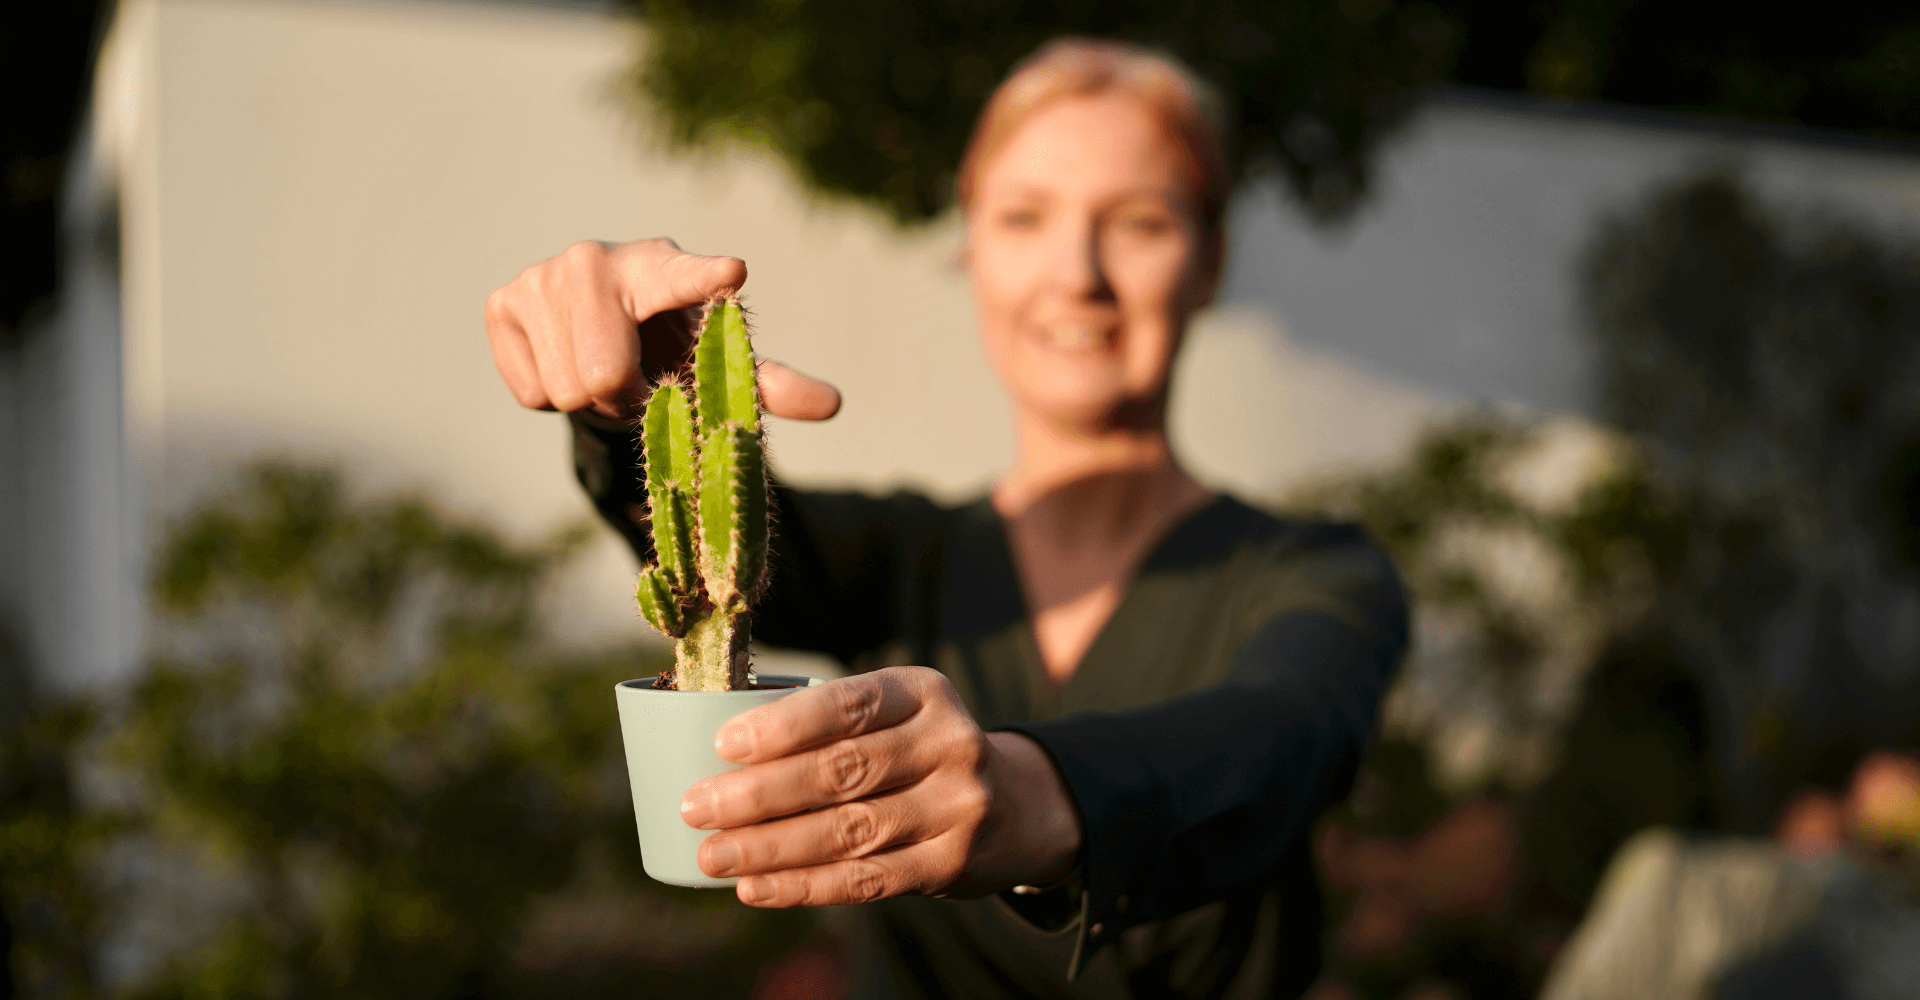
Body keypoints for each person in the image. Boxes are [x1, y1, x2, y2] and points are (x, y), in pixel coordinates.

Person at [484, 38, 1407, 999]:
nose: (1077, 272)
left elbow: (1284, 738)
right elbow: (712, 554)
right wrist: (622, 405)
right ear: (972, 251)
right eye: (1024, 218)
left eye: (1138, 222)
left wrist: (1036, 795)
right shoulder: (896, 559)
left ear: (1209, 262)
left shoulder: (1323, 573)